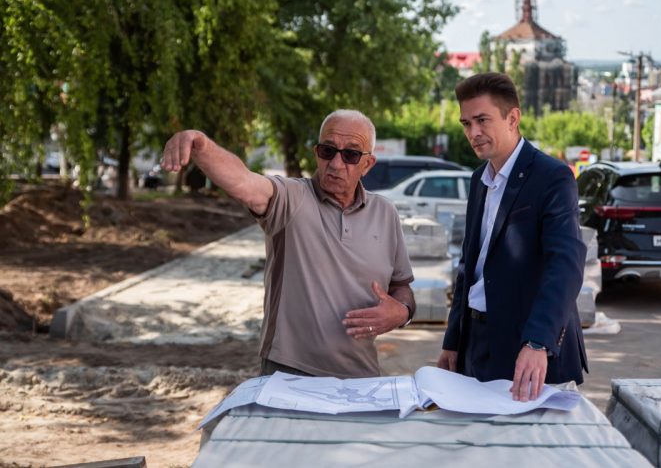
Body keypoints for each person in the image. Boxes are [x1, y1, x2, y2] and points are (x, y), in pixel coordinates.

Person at [161, 110, 416, 378]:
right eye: (328, 151)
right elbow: (244, 182)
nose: (336, 164)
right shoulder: (292, 198)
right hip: (289, 374)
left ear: (368, 164)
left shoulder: (385, 213)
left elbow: (401, 286)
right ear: (316, 153)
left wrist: (401, 313)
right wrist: (201, 145)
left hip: (361, 377)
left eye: (351, 155)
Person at [437, 72, 588, 402]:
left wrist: (538, 341)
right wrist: (453, 340)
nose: (473, 133)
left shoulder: (552, 177)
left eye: (482, 120)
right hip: (475, 344)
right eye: (466, 124)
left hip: (529, 349)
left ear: (513, 118)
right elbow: (469, 267)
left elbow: (565, 266)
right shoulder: (479, 180)